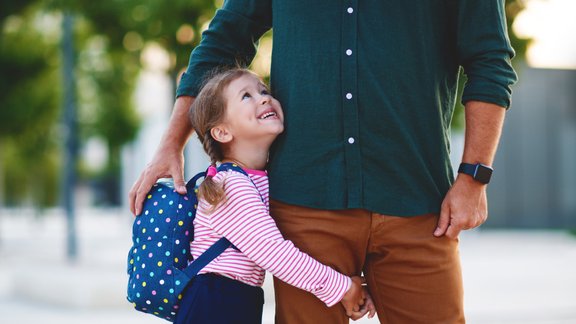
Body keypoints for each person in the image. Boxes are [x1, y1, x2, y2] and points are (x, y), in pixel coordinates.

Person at [129, 1, 517, 323]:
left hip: (417, 204)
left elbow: (490, 61)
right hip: (306, 204)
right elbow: (222, 42)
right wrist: (170, 142)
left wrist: (474, 176)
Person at [173, 68, 375, 324]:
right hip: (215, 303)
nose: (264, 98)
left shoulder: (255, 178)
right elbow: (276, 253)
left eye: (264, 91)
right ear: (222, 132)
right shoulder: (231, 186)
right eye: (246, 96)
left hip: (233, 300)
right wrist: (343, 288)